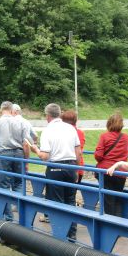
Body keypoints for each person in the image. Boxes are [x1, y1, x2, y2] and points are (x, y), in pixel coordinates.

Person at [28, 103, 82, 241]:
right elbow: (78, 152)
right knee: (70, 201)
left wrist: (36, 150)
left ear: (47, 116)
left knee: (56, 203)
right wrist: (74, 168)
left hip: (55, 168)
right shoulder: (70, 128)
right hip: (71, 167)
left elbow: (45, 156)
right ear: (59, 113)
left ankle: (60, 235)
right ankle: (72, 234)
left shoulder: (48, 130)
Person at [94, 114, 128, 217]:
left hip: (106, 172)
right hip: (121, 173)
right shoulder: (126, 137)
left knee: (108, 199)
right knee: (118, 199)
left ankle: (110, 225)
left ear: (109, 123)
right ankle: (118, 226)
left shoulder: (104, 136)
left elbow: (98, 155)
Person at [61, 110, 85, 183]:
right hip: (76, 167)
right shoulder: (79, 132)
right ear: (75, 120)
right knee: (71, 193)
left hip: (64, 167)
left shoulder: (61, 132)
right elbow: (79, 151)